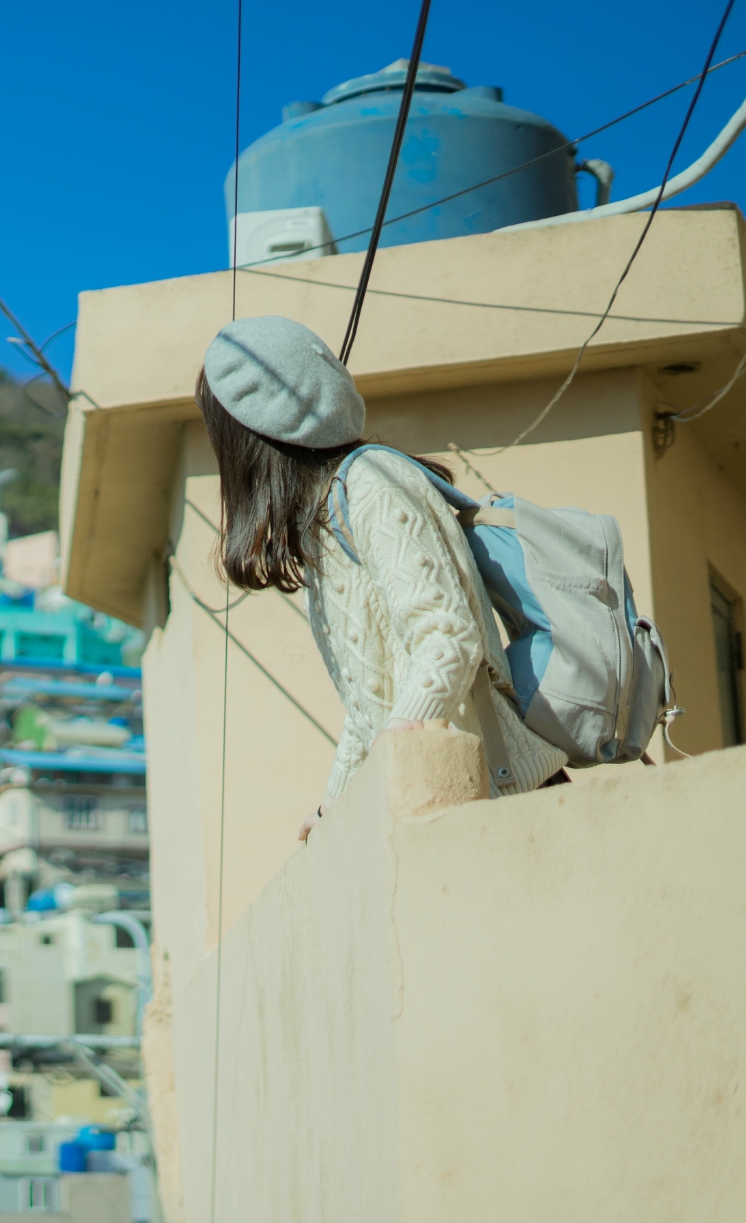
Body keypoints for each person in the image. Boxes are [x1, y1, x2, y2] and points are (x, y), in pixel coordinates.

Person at [196, 315, 566, 840]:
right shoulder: (328, 519)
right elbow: (372, 701)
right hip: (462, 800)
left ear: (252, 437)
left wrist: (399, 754)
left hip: (507, 796)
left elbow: (447, 635)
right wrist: (332, 809)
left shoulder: (372, 484)